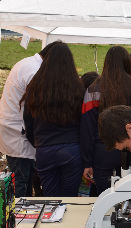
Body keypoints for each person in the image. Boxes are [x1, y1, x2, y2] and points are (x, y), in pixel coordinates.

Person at [21, 42, 85, 197]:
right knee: (70, 200)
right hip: (72, 149)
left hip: (44, 149)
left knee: (50, 200)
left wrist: (38, 143)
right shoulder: (78, 87)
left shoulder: (35, 88)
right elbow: (83, 122)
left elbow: (28, 122)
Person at [80, 46, 131, 195]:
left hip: (102, 151)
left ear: (106, 63)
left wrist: (87, 162)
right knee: (130, 196)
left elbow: (87, 128)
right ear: (127, 62)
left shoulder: (93, 90)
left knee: (105, 198)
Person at [0, 41, 61, 197]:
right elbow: (35, 110)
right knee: (20, 184)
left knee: (23, 180)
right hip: (18, 133)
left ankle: (21, 216)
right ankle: (18, 219)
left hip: (13, 130)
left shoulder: (27, 63)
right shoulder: (34, 71)